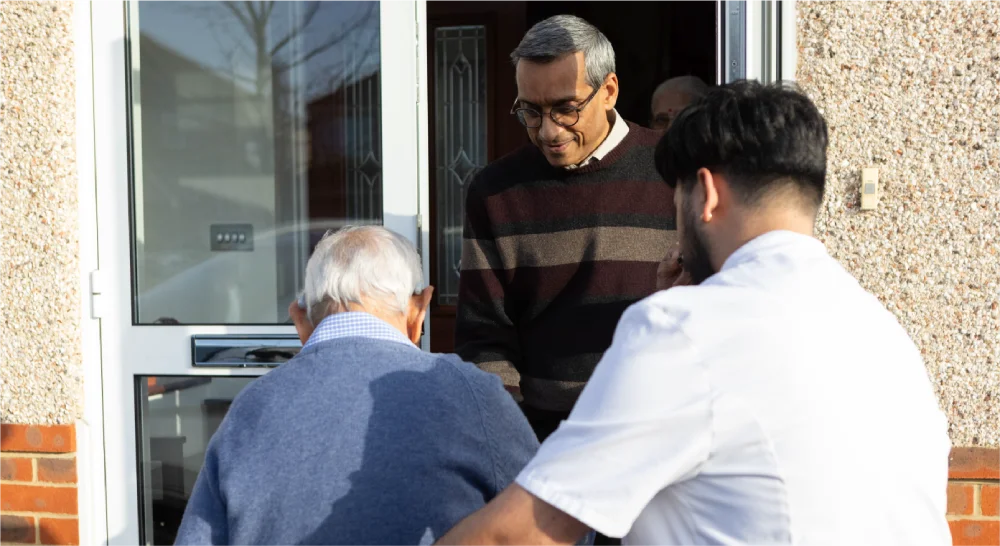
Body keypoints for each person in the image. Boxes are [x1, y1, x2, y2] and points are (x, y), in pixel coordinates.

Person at [435, 81, 952, 546]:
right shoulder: (883, 333)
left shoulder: (683, 330)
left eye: (675, 196)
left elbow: (515, 537)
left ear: (704, 194)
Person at [174, 226, 540, 546]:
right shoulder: (472, 394)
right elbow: (556, 524)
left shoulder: (251, 406)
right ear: (420, 309)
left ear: (300, 319)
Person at [455, 14, 676, 443]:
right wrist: (516, 441)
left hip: (661, 437)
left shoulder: (674, 167)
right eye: (530, 112)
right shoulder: (495, 192)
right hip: (542, 443)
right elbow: (483, 341)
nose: (548, 130)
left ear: (609, 91)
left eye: (565, 108)